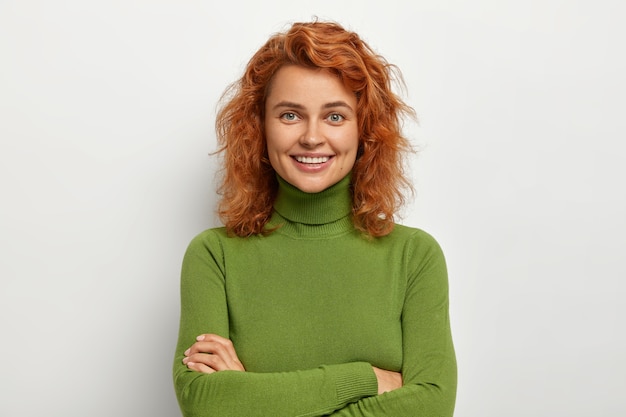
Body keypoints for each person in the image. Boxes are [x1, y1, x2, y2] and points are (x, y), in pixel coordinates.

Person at [173, 20, 457, 416]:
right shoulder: (214, 256)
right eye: (290, 115)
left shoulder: (414, 257)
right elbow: (205, 405)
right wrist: (367, 379)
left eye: (335, 117)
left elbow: (432, 405)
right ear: (259, 128)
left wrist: (250, 395)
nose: (311, 137)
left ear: (365, 130)